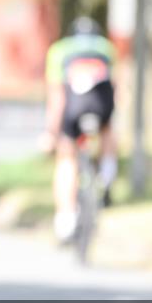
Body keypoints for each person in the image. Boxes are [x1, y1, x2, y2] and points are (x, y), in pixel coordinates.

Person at [39, 16, 117, 243]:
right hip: (102, 109)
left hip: (73, 110)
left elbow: (56, 97)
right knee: (108, 129)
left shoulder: (59, 51)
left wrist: (51, 132)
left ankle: (65, 218)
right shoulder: (106, 48)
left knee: (66, 158)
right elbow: (115, 87)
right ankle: (108, 174)